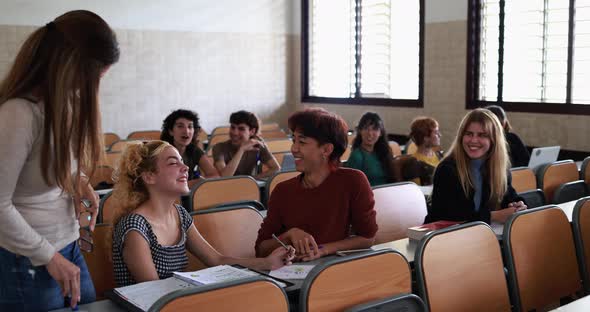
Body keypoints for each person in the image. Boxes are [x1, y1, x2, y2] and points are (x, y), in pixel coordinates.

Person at [0, 11, 119, 310]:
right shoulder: (19, 114)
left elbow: (56, 168)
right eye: (94, 76)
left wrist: (79, 184)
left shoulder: (66, 102)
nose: (94, 86)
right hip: (25, 257)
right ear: (69, 65)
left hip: (65, 244)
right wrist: (47, 256)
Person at [111, 141, 294, 287]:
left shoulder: (179, 214)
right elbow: (153, 291)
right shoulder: (134, 226)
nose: (185, 168)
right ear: (149, 176)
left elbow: (216, 259)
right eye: (174, 163)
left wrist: (268, 263)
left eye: (183, 162)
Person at [255, 108, 378, 261]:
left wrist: (323, 250)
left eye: (302, 142)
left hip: (337, 268)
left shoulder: (353, 181)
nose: (293, 148)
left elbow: (367, 238)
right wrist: (289, 235)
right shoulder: (283, 190)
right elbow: (261, 249)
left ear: (326, 149)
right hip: (294, 276)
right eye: (294, 140)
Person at [425, 109, 527, 224]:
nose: (473, 140)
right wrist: (494, 216)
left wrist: (518, 204)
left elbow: (509, 196)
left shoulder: (498, 168)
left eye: (482, 135)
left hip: (477, 235)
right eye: (469, 134)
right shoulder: (447, 169)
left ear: (494, 140)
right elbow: (451, 216)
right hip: (442, 237)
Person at [213, 110, 280, 179]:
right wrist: (241, 150)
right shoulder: (219, 148)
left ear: (252, 131)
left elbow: (276, 169)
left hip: (248, 187)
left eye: (241, 129)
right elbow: (225, 177)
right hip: (225, 187)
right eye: (232, 127)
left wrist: (251, 179)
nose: (235, 133)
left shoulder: (257, 144)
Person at [161, 109, 219, 179]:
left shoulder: (193, 149)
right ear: (171, 131)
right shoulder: (162, 152)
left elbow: (215, 175)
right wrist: (198, 182)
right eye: (180, 126)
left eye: (190, 127)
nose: (186, 131)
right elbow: (168, 184)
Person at [345, 112, 395, 186]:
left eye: (374, 129)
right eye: (366, 128)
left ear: (380, 133)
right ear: (360, 131)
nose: (370, 133)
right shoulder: (357, 156)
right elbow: (350, 185)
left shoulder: (385, 152)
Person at [408, 116, 443, 185]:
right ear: (425, 137)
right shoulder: (413, 163)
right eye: (436, 132)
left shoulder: (440, 155)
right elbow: (417, 191)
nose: (440, 135)